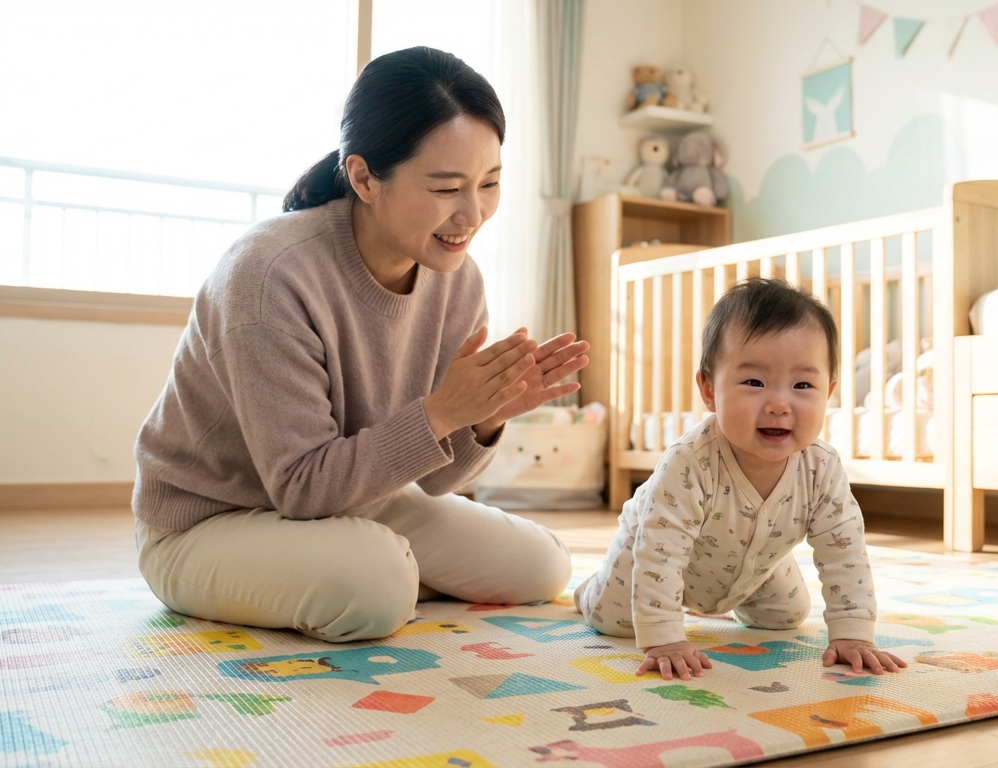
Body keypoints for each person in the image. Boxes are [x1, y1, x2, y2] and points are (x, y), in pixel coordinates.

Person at [132, 46, 588, 643]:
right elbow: (299, 487)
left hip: (350, 501)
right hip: (207, 522)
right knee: (377, 588)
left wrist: (482, 421)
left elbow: (430, 479)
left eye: (490, 183)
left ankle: (357, 563)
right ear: (365, 177)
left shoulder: (458, 279)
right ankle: (366, 567)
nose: (471, 214)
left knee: (541, 566)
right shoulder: (270, 274)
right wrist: (444, 410)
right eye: (447, 187)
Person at [575, 278, 907, 681]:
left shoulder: (822, 468)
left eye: (803, 385)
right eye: (754, 382)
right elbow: (661, 550)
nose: (780, 404)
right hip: (650, 553)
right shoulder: (688, 462)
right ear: (709, 389)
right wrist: (664, 637)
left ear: (829, 392)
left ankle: (743, 584)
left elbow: (845, 551)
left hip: (754, 565)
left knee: (788, 616)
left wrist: (854, 633)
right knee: (614, 621)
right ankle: (590, 587)